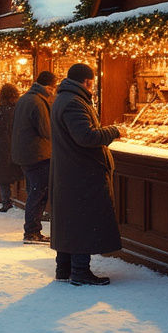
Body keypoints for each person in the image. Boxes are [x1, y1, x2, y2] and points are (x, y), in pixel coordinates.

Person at [49, 62, 124, 286]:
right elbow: (85, 137)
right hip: (81, 172)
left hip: (70, 171)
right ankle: (80, 271)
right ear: (87, 81)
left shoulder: (63, 98)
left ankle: (64, 268)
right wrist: (114, 131)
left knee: (68, 221)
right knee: (82, 220)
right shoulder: (74, 102)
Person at [12, 70, 57, 244]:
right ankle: (31, 232)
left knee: (34, 192)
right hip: (37, 154)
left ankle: (32, 229)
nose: (53, 92)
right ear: (48, 87)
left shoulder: (26, 98)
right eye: (53, 88)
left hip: (27, 153)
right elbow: (46, 130)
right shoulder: (38, 102)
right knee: (38, 193)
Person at [0, 83, 23, 212]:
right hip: (16, 145)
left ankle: (6, 201)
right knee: (18, 172)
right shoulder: (19, 109)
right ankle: (22, 197)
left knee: (2, 177)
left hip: (0, 146)